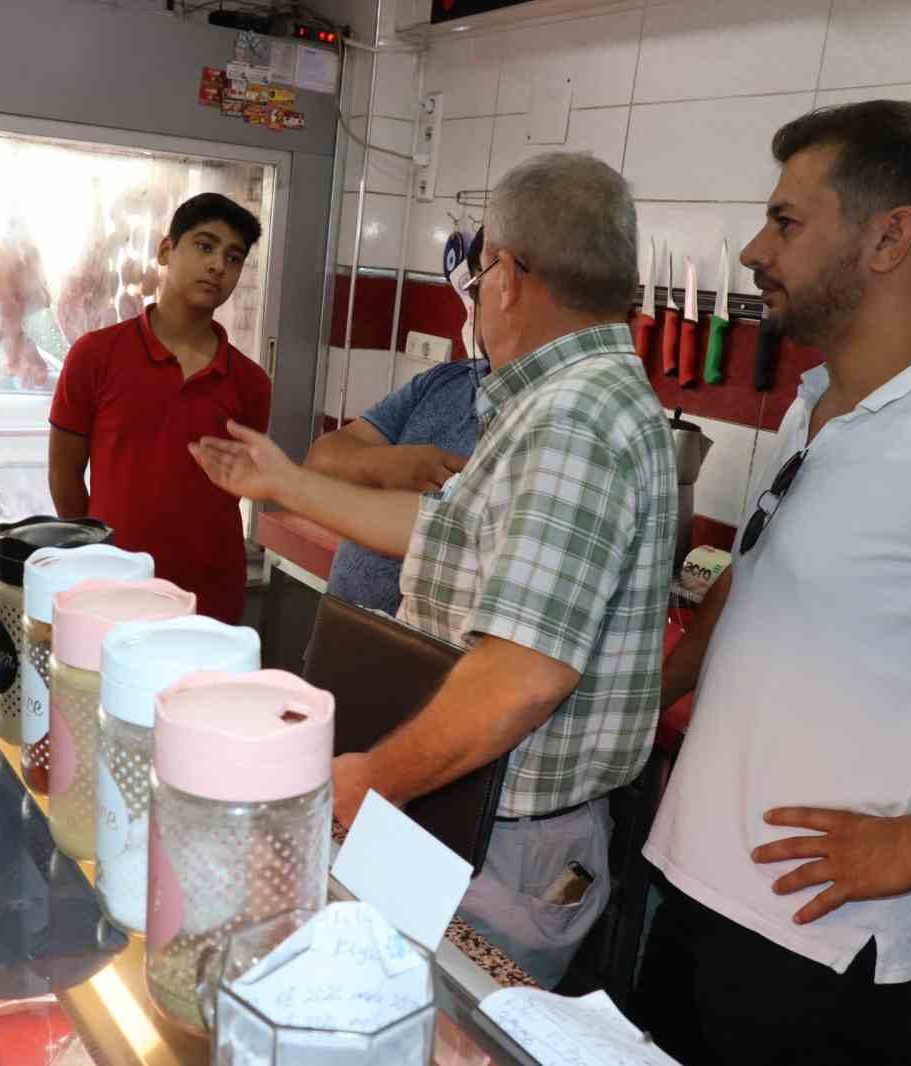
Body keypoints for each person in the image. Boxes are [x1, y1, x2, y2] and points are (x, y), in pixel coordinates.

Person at [635, 100, 911, 1066]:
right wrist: (640, 701)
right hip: (703, 895)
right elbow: (753, 583)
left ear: (888, 237)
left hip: (824, 957)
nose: (756, 248)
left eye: (786, 221)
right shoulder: (822, 404)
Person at [191, 154, 677, 986]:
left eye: (483, 269)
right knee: (383, 997)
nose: (481, 292)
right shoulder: (560, 400)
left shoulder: (575, 419)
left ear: (512, 276)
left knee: (431, 1025)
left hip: (500, 840)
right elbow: (440, 531)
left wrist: (374, 779)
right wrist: (284, 481)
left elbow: (521, 677)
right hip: (464, 811)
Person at [48, 193, 271, 624]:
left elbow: (234, 487)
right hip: (111, 589)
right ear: (166, 250)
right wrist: (93, 556)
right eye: (204, 246)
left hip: (210, 595)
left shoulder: (251, 383)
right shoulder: (95, 354)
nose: (217, 266)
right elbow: (64, 473)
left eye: (233, 257)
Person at [305, 257, 485, 614]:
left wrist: (282, 482)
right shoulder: (445, 381)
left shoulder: (541, 414)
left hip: (428, 657)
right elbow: (321, 460)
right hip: (343, 636)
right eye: (471, 292)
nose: (473, 305)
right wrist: (387, 465)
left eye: (479, 287)